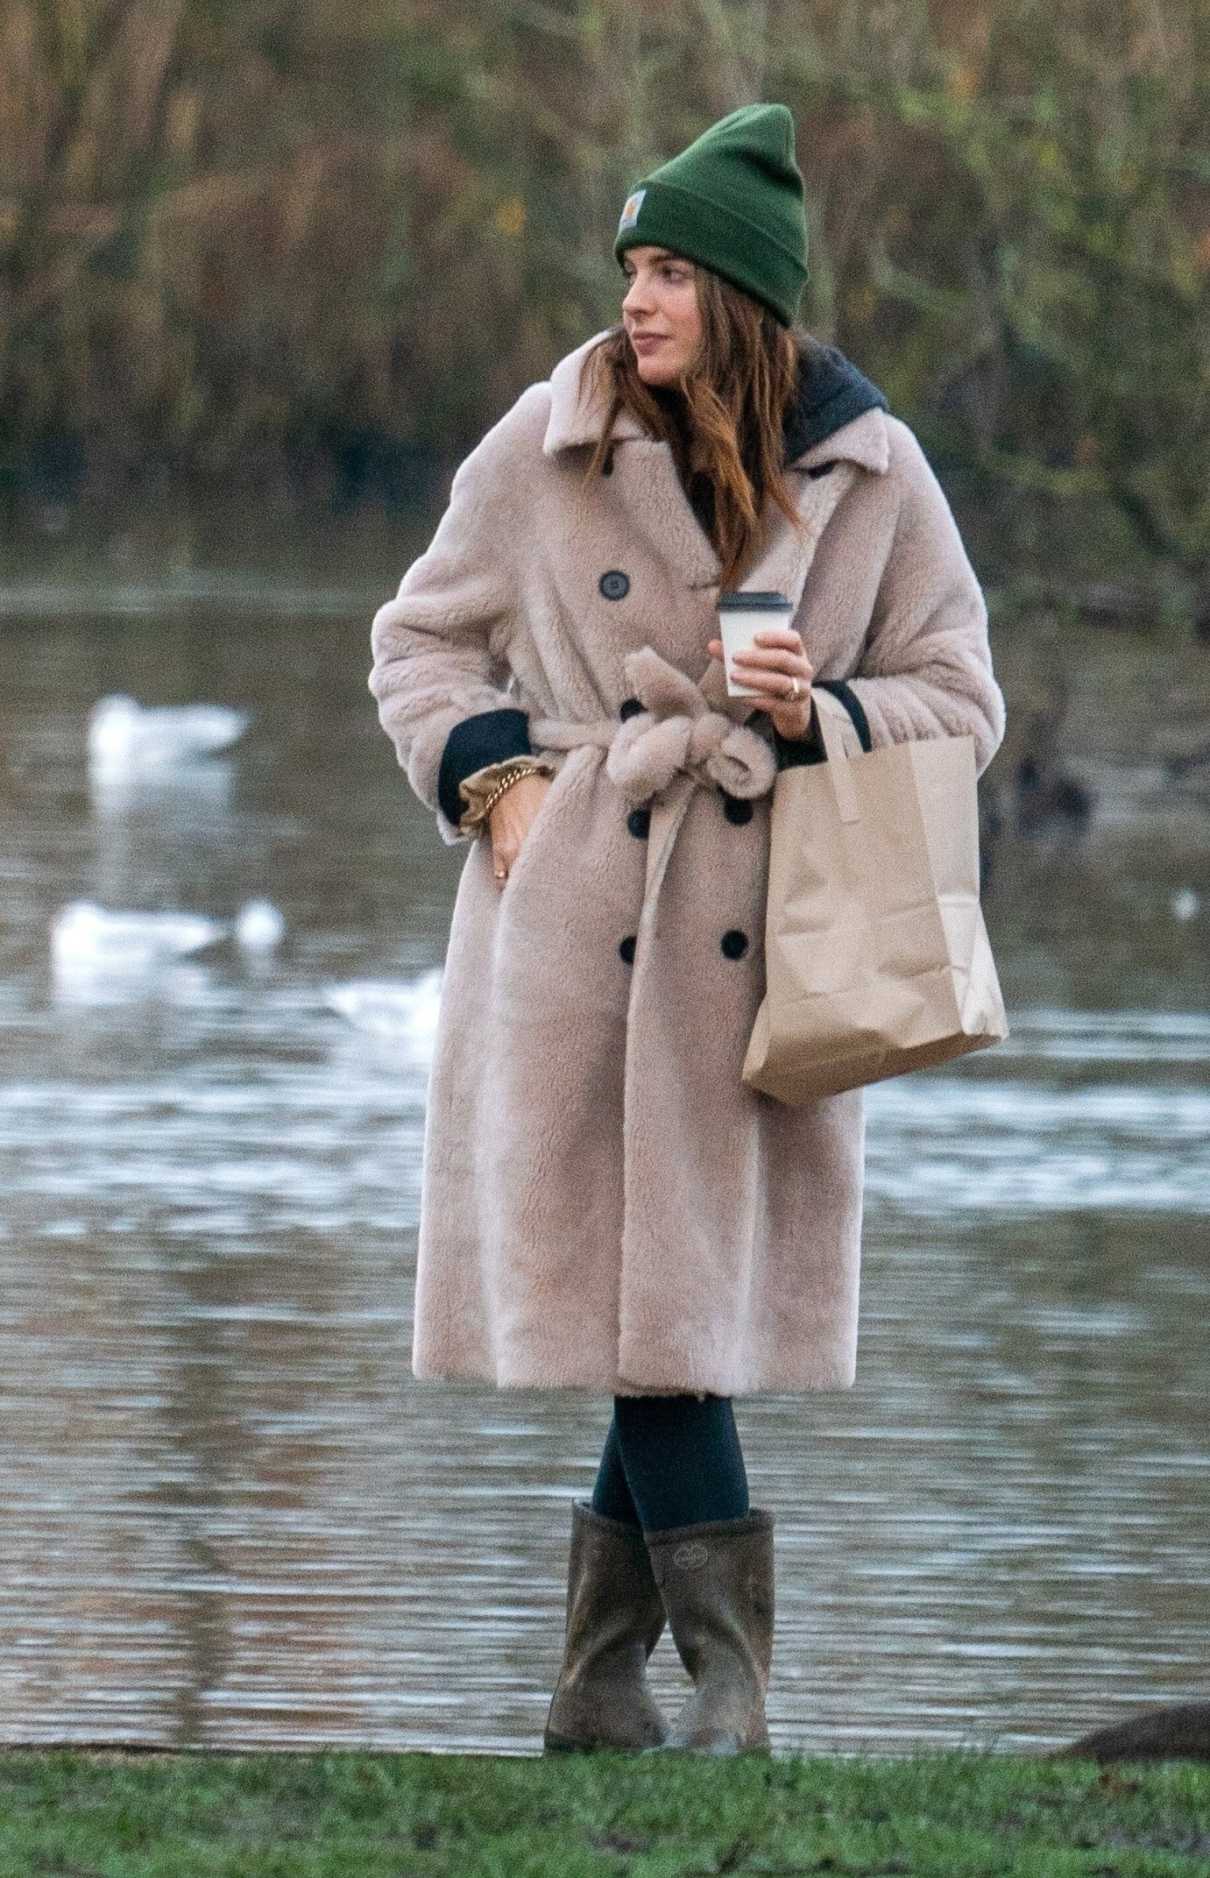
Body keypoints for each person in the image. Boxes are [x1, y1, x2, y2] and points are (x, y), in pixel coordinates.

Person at [369, 103, 1005, 1757]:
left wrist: (819, 712)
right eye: (629, 266)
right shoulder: (546, 440)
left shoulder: (871, 471)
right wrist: (495, 782)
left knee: (661, 1313)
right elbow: (417, 644)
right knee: (645, 1315)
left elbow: (961, 700)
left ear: (740, 295)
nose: (634, 298)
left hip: (761, 943)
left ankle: (601, 1686)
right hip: (576, 917)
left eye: (668, 271)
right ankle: (725, 1688)